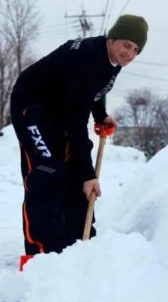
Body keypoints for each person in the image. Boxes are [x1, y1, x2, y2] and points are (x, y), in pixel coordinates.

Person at [10, 14, 148, 255]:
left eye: (136, 49)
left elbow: (93, 90)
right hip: (32, 104)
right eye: (127, 45)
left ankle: (76, 249)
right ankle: (40, 255)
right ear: (113, 38)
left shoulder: (112, 60)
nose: (130, 54)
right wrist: (88, 174)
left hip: (61, 107)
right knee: (48, 170)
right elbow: (76, 121)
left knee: (75, 172)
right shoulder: (88, 59)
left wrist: (100, 114)